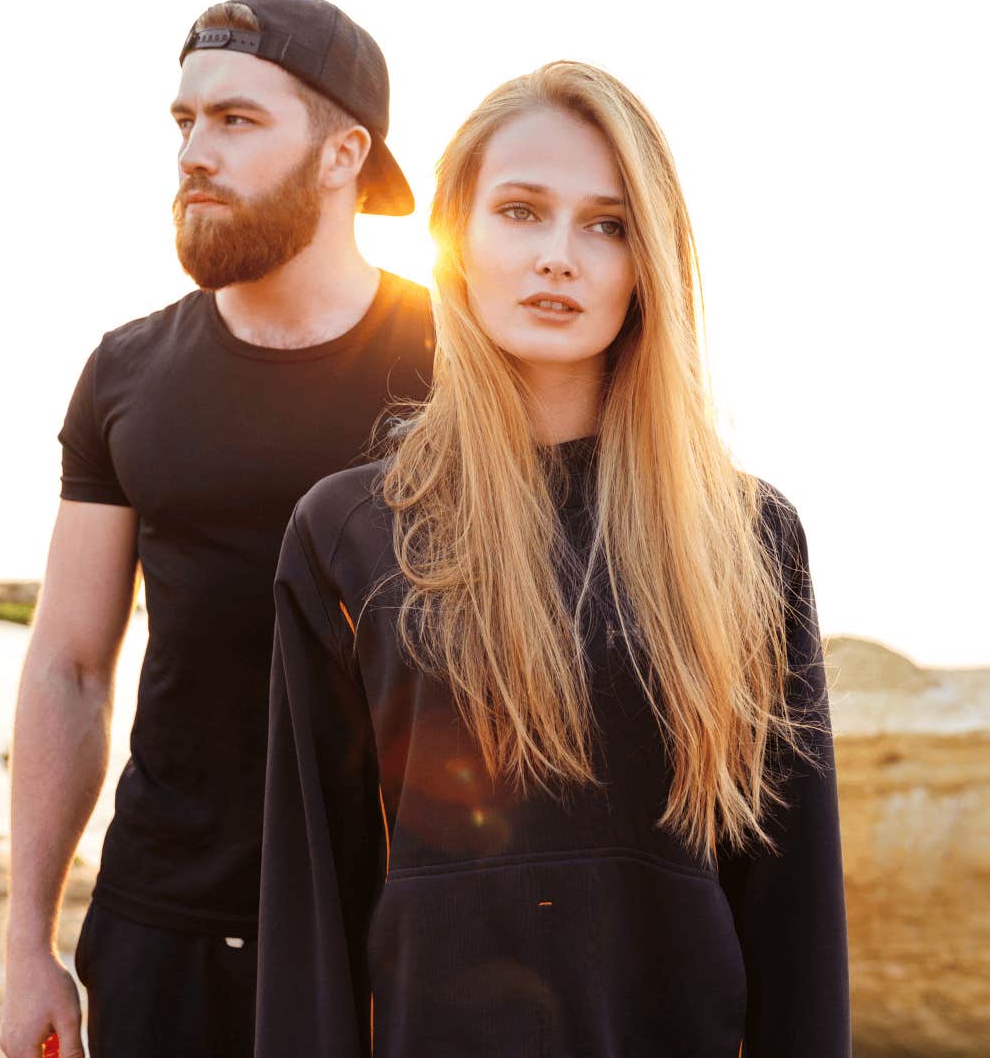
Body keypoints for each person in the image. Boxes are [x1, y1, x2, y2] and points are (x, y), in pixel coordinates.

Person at [255, 61, 851, 1056]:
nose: (561, 257)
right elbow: (313, 901)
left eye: (607, 224)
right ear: (458, 238)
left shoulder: (747, 536)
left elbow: (795, 913)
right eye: (522, 212)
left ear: (648, 262)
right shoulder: (349, 533)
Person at [0, 0, 434, 1058]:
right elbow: (68, 665)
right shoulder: (125, 371)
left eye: (236, 121)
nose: (196, 151)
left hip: (398, 930)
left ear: (343, 155)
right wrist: (27, 944)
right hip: (163, 925)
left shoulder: (457, 370)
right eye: (185, 122)